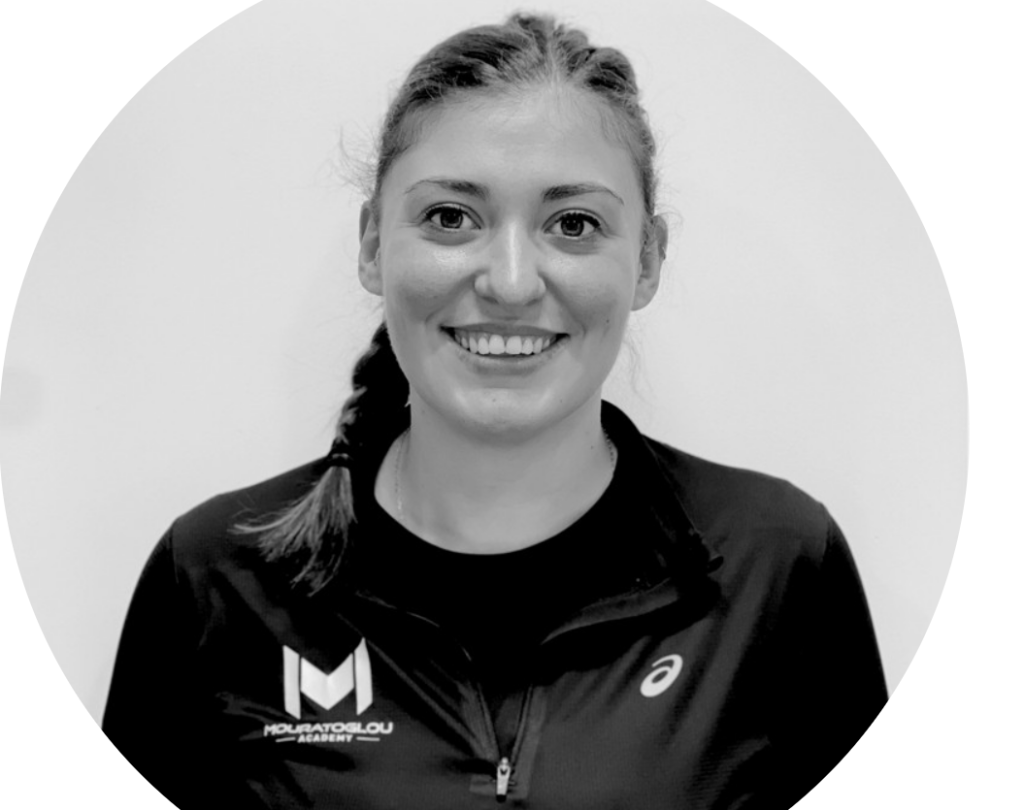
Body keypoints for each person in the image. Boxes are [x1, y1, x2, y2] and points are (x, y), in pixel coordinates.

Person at [103, 13, 887, 810]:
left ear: (648, 259)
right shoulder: (216, 579)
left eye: (573, 224)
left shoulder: (775, 568)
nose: (511, 283)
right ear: (372, 245)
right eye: (451, 217)